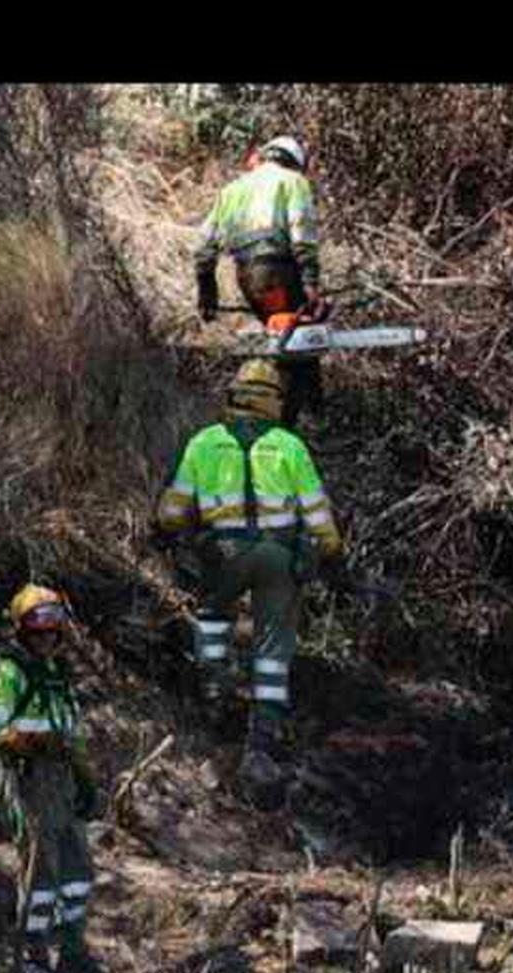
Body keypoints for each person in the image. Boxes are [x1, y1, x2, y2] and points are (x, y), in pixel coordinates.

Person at [153, 357, 344, 783]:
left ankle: (216, 696)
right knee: (274, 647)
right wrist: (331, 550)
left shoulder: (204, 443)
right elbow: (318, 514)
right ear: (275, 401)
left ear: (235, 396)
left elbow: (172, 510)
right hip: (279, 556)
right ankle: (264, 736)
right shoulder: (290, 446)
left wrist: (171, 530)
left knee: (214, 618)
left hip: (222, 552)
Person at [0, 585, 106, 973]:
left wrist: (86, 783)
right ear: (21, 629)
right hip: (26, 778)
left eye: (54, 626)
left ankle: (71, 951)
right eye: (39, 626)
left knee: (78, 870)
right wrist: (32, 743)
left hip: (62, 781)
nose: (48, 635)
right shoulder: (6, 673)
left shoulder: (57, 675)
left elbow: (73, 736)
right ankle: (33, 960)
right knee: (41, 872)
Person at [194, 134, 326, 424]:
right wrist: (311, 283)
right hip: (278, 272)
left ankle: (281, 411)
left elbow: (204, 246)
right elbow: (302, 235)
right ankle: (297, 419)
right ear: (295, 163)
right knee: (301, 344)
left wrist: (207, 289)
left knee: (283, 338)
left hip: (247, 277)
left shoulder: (231, 190)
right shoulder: (292, 182)